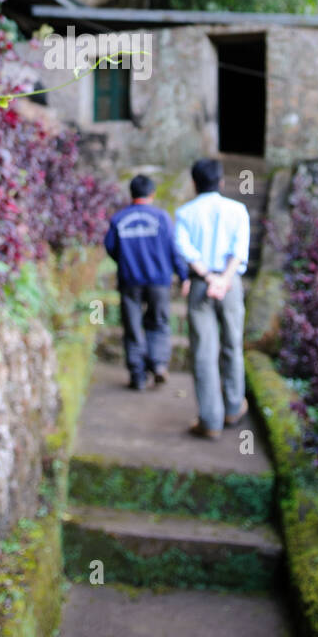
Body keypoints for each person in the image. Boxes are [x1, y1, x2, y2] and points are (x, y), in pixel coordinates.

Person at [174, 157, 250, 440]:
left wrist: (208, 278)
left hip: (201, 285)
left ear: (194, 183)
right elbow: (239, 250)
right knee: (233, 344)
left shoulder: (185, 213)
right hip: (230, 285)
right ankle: (233, 407)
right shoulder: (238, 210)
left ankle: (210, 420)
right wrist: (225, 279)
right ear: (221, 182)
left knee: (204, 353)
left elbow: (185, 249)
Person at [104, 174, 189, 390]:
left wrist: (125, 262)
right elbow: (173, 249)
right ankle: (159, 364)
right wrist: (183, 275)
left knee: (132, 326)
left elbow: (111, 247)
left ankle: (137, 375)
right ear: (152, 193)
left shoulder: (119, 219)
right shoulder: (161, 218)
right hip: (158, 281)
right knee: (159, 322)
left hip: (129, 281)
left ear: (131, 194)